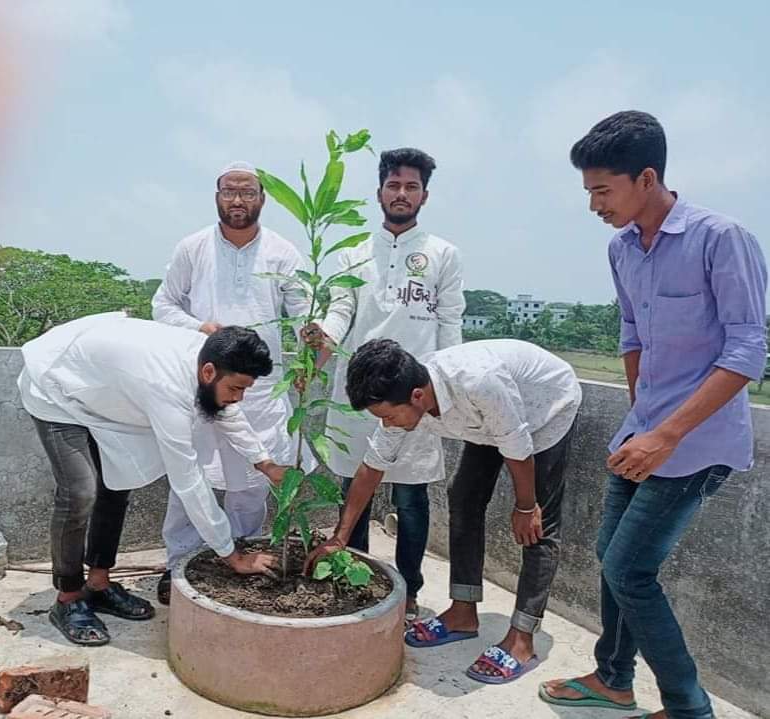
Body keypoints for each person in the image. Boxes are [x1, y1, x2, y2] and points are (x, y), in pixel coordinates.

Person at [540, 110, 767, 719]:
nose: (594, 205)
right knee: (613, 561)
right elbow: (633, 334)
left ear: (646, 178)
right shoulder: (622, 250)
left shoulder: (722, 239)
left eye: (601, 190)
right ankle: (614, 679)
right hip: (640, 433)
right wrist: (643, 417)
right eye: (588, 192)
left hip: (696, 443)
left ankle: (689, 708)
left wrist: (666, 433)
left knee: (629, 570)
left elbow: (748, 351)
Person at [305, 338, 582, 684]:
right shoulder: (406, 395)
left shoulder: (477, 382)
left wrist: (525, 505)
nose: (387, 423)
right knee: (464, 498)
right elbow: (372, 468)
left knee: (539, 524)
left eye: (389, 415)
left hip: (546, 408)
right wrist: (341, 536)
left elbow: (518, 446)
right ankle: (463, 613)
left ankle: (522, 638)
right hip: (493, 421)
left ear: (417, 396)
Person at [18, 313, 286, 646]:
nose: (238, 398)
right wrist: (230, 554)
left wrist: (265, 463)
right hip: (56, 388)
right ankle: (69, 597)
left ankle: (99, 583)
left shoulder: (207, 359)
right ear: (208, 372)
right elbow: (188, 480)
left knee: (117, 482)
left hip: (104, 393)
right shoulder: (166, 386)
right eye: (235, 388)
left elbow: (226, 409)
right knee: (80, 492)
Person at [303, 148, 464, 622]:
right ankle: (355, 576)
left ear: (424, 195)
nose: (401, 194)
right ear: (379, 193)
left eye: (411, 187)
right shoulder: (353, 253)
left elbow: (450, 324)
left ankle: (408, 590)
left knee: (412, 498)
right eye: (394, 186)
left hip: (416, 397)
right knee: (356, 487)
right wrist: (323, 336)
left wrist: (444, 391)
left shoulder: (442, 255)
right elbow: (340, 312)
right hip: (360, 397)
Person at [152, 161, 314, 603]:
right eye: (229, 192)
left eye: (247, 192)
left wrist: (305, 364)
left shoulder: (284, 253)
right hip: (203, 383)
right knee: (191, 478)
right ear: (217, 196)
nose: (238, 200)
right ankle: (178, 565)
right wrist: (200, 328)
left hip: (260, 388)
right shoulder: (193, 248)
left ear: (262, 198)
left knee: (250, 486)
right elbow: (163, 305)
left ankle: (243, 552)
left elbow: (303, 317)